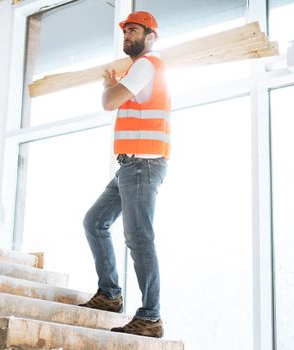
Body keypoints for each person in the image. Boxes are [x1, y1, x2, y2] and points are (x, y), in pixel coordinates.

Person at [78, 11, 171, 338]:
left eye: (133, 30)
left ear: (150, 37)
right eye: (125, 31)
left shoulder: (147, 65)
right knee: (95, 222)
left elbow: (109, 102)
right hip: (129, 167)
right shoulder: (139, 68)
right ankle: (110, 294)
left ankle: (150, 316)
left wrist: (108, 85)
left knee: (139, 239)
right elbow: (118, 103)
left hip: (142, 166)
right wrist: (114, 86)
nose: (126, 36)